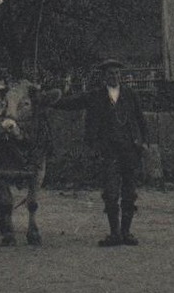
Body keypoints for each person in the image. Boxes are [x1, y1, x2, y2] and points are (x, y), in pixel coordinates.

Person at [59, 58, 150, 246]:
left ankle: (126, 233)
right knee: (110, 192)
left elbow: (141, 120)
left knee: (130, 192)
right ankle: (114, 233)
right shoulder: (96, 96)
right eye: (110, 74)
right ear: (104, 76)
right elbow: (72, 102)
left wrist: (144, 141)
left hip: (130, 150)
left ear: (121, 76)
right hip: (109, 152)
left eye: (117, 73)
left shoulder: (130, 95)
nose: (114, 77)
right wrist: (49, 101)